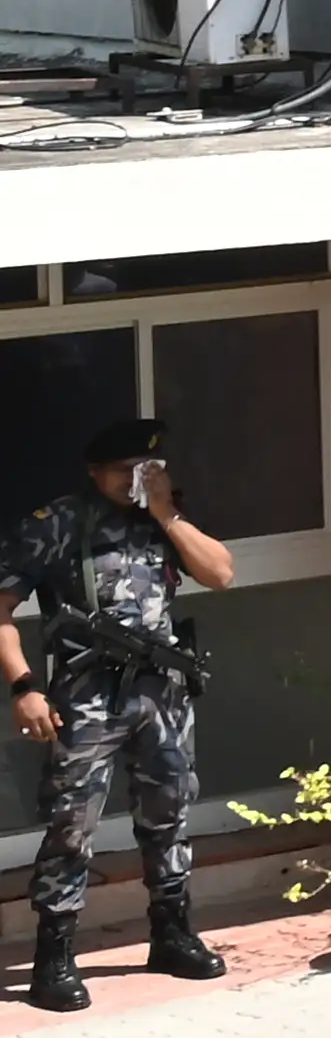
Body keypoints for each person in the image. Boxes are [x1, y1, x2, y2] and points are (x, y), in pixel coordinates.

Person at [9, 412, 232, 1004]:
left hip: (162, 696)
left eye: (149, 469)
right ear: (94, 472)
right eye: (125, 471)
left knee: (169, 815)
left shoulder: (168, 519)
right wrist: (24, 687)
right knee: (71, 826)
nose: (137, 480)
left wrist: (165, 513)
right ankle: (53, 956)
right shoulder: (57, 524)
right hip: (86, 701)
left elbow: (220, 573)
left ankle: (172, 932)